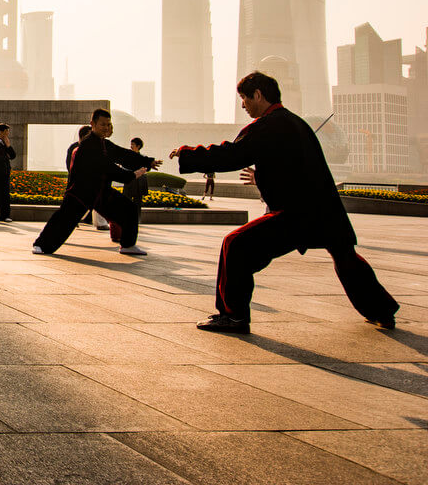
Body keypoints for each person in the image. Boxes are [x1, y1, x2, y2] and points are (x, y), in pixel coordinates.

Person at [170, 71, 399, 333]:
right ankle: (382, 311)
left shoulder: (269, 125)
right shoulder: (294, 122)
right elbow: (293, 167)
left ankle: (233, 317)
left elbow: (233, 155)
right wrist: (263, 176)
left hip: (298, 212)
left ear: (258, 95)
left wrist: (187, 153)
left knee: (236, 245)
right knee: (345, 258)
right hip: (326, 211)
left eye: (244, 98)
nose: (242, 105)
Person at [33, 108, 158, 256]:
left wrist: (147, 161)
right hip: (81, 192)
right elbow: (108, 168)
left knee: (129, 209)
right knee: (64, 218)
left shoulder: (105, 144)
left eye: (108, 124)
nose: (106, 128)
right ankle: (41, 245)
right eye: (102, 124)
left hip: (101, 192)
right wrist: (131, 175)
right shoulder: (88, 146)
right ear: (92, 124)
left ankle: (127, 245)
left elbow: (123, 154)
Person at [68, 126, 109, 231]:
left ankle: (100, 223)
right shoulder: (75, 148)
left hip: (93, 181)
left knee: (97, 201)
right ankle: (73, 220)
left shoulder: (95, 147)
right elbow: (70, 166)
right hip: (80, 182)